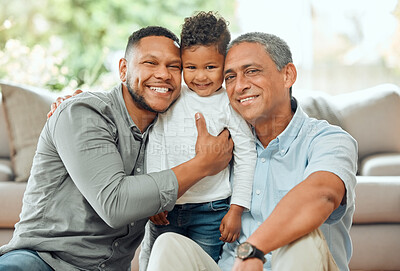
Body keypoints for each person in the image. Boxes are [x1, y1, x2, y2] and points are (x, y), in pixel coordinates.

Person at [0, 26, 233, 271]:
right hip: (44, 261)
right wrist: (202, 164)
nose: (163, 74)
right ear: (123, 70)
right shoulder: (84, 113)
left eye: (174, 67)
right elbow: (115, 204)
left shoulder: (166, 129)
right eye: (150, 63)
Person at [146, 32, 358, 271]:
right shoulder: (227, 145)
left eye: (252, 71)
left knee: (303, 239)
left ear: (288, 75)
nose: (240, 86)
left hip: (289, 263)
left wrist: (253, 248)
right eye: (230, 77)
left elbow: (322, 194)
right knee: (168, 244)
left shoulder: (329, 140)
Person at [139, 11, 256, 270]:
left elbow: (247, 154)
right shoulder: (172, 96)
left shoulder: (228, 103)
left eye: (210, 67)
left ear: (225, 63)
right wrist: (154, 196)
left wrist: (236, 209)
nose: (200, 77)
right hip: (167, 207)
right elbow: (155, 143)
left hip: (211, 210)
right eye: (191, 67)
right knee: (159, 260)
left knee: (201, 264)